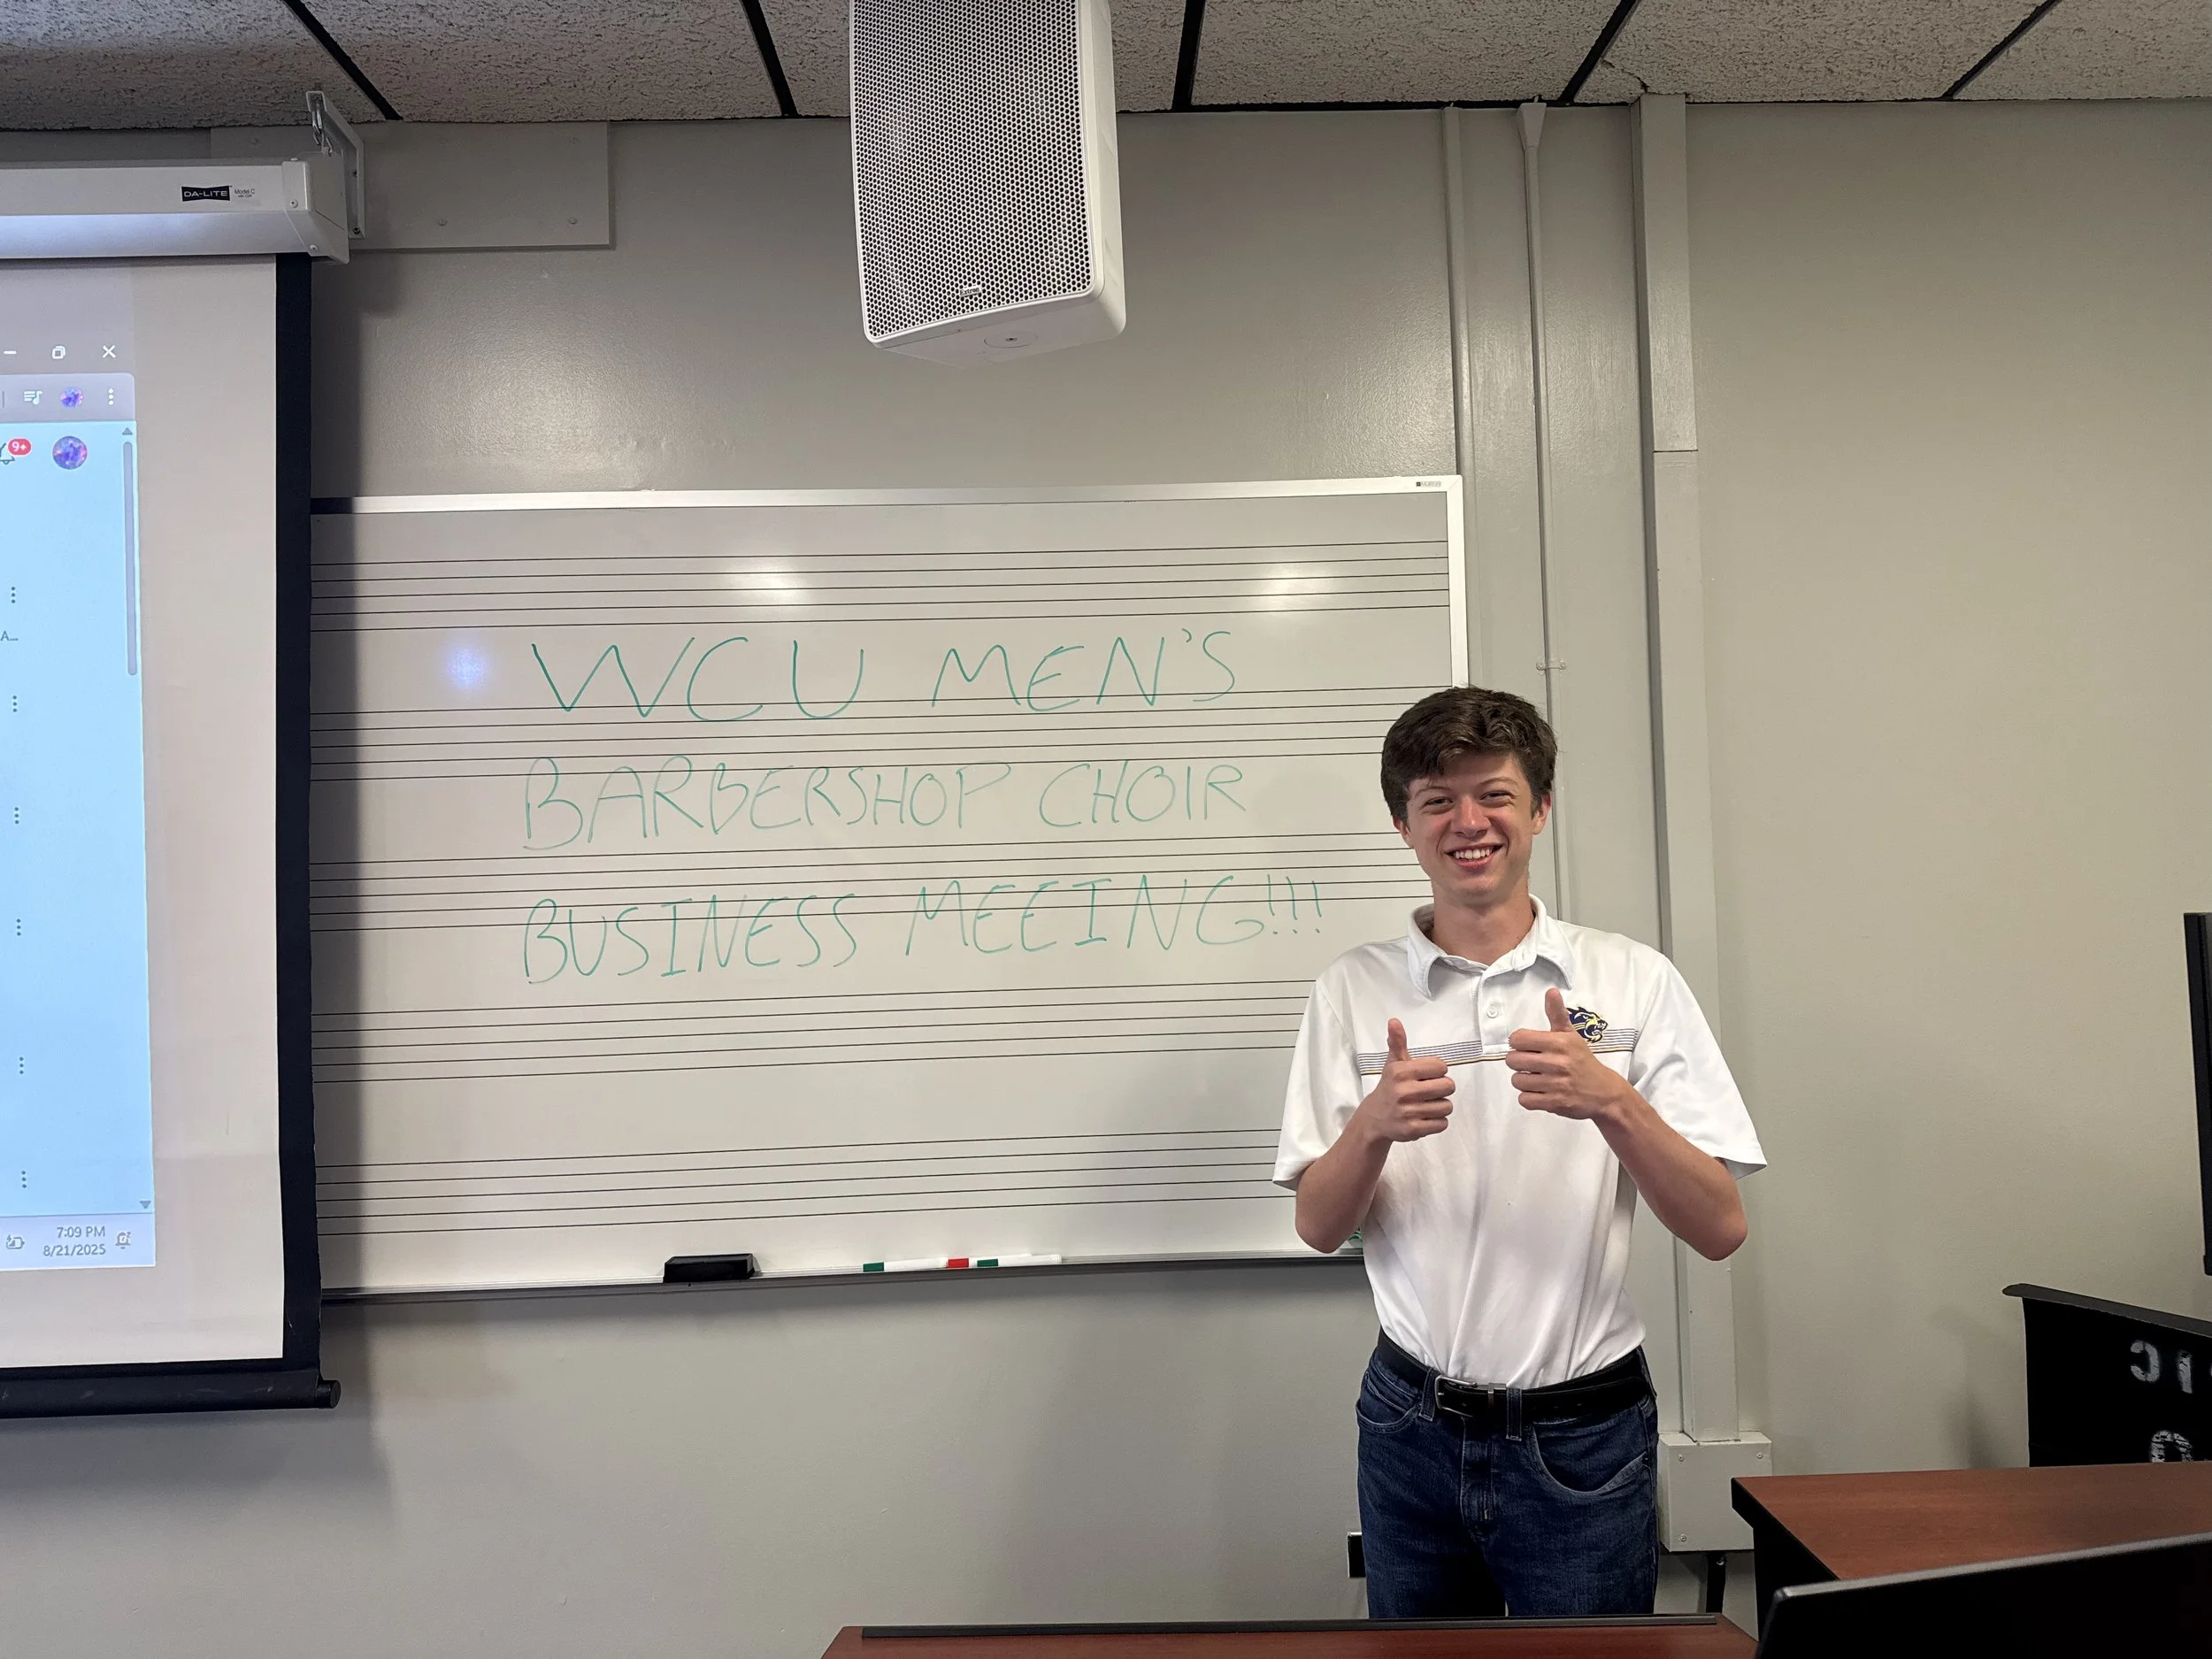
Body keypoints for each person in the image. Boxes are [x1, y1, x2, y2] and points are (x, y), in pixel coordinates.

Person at [1273, 686, 1764, 1619]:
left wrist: (1612, 1101)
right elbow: (1315, 1223)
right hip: (1409, 1422)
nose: (1469, 823)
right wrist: (1371, 1127)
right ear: (1402, 824)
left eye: (1495, 795)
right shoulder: (1350, 991)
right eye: (1437, 800)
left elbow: (1719, 1228)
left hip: (1583, 1429)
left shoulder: (1630, 979)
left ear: (1539, 809)